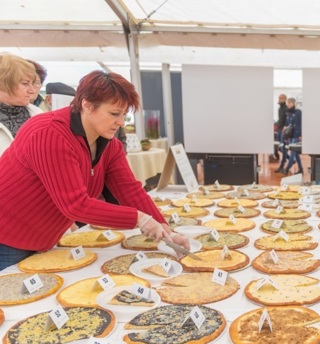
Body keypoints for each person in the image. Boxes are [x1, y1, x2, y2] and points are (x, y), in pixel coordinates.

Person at [0, 70, 189, 270]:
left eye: (124, 115)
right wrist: (139, 218)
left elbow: (130, 190)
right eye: (114, 114)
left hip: (42, 237)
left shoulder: (110, 144)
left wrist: (167, 231)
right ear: (87, 105)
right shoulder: (49, 133)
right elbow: (75, 204)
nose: (121, 122)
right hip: (7, 238)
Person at [0, 53, 43, 157]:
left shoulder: (38, 114)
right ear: (3, 84)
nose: (32, 90)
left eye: (33, 83)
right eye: (25, 84)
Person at [276, 97, 303, 175]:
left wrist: (301, 135)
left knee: (292, 153)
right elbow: (287, 124)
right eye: (288, 103)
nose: (288, 104)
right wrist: (284, 129)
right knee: (296, 153)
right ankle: (301, 169)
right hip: (290, 135)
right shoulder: (288, 113)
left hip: (296, 135)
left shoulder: (298, 112)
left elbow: (301, 124)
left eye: (290, 103)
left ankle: (287, 169)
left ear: (294, 103)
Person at [270, 94, 287, 163]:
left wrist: (284, 127)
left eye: (281, 98)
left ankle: (287, 159)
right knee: (278, 146)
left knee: (281, 147)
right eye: (279, 98)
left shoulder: (286, 108)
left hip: (283, 130)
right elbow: (280, 119)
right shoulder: (280, 108)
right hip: (279, 129)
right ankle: (288, 159)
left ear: (285, 99)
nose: (280, 100)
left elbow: (286, 120)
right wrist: (275, 125)